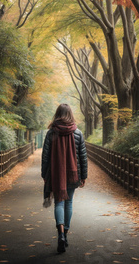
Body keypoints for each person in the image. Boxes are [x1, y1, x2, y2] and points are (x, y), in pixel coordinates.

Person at [41, 103, 88, 253]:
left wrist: (45, 174)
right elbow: (83, 156)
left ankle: (60, 234)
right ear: (70, 114)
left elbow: (45, 156)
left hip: (56, 174)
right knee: (69, 203)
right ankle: (65, 234)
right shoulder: (78, 132)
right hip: (73, 174)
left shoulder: (51, 133)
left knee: (59, 203)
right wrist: (84, 175)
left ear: (57, 114)